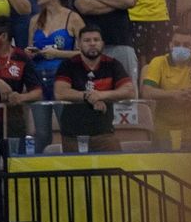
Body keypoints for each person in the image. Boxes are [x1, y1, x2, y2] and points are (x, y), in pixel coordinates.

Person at [53, 23, 134, 152]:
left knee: (112, 169)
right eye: (87, 40)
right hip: (72, 135)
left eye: (96, 40)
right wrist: (87, 96)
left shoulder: (113, 64)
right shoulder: (68, 65)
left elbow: (129, 91)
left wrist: (101, 95)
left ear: (102, 43)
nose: (92, 43)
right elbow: (60, 92)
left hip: (104, 133)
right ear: (79, 44)